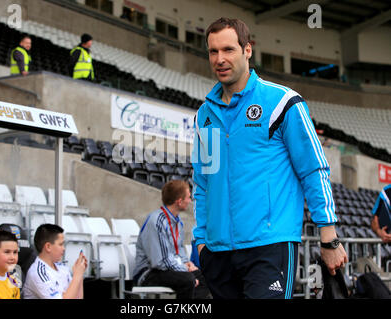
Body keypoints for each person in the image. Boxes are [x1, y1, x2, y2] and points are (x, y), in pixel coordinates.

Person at [192, 17, 348, 299]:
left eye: (228, 50)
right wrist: (202, 242)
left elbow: (313, 170)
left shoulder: (283, 103)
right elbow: (203, 181)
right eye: (213, 51)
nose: (220, 59)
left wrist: (329, 235)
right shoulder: (205, 115)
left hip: (268, 248)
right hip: (217, 254)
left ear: (247, 50)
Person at [133, 180, 211, 299]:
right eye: (188, 198)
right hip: (148, 273)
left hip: (167, 270)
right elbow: (160, 262)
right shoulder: (157, 221)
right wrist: (184, 269)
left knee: (205, 278)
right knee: (188, 280)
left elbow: (178, 250)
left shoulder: (177, 221)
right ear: (179, 201)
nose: (190, 201)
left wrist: (187, 263)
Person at [22, 224, 88, 299]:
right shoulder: (38, 273)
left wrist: (80, 274)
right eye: (60, 244)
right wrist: (77, 275)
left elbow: (77, 297)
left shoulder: (62, 268)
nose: (64, 248)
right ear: (48, 247)